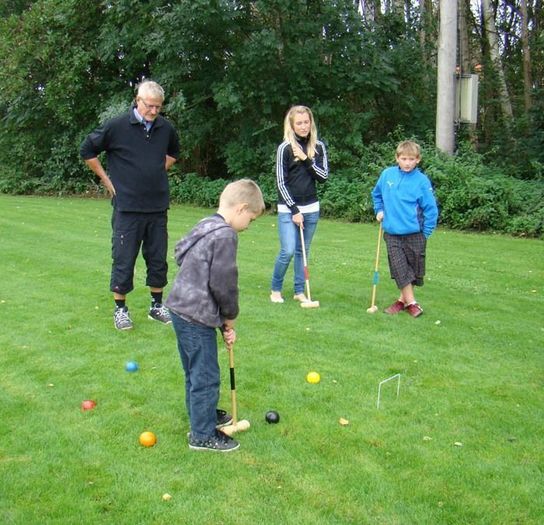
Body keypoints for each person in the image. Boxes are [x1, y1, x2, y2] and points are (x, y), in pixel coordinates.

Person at [165, 179, 265, 452]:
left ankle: (202, 414)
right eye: (251, 219)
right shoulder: (225, 235)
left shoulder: (206, 224)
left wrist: (220, 322)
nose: (248, 225)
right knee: (206, 375)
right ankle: (201, 435)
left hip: (179, 308)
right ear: (242, 208)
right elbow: (223, 283)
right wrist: (229, 317)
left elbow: (180, 252)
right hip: (195, 315)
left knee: (193, 370)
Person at [80, 80, 180, 330]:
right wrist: (106, 180)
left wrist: (156, 171)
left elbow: (173, 153)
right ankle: (120, 309)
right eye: (150, 106)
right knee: (123, 258)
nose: (154, 111)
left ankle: (156, 306)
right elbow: (87, 150)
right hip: (127, 207)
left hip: (157, 206)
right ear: (138, 100)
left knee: (157, 259)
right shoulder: (117, 126)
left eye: (159, 107)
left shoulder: (165, 129)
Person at [371, 140, 438, 317]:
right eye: (403, 158)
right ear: (397, 158)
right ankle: (413, 304)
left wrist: (426, 232)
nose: (407, 162)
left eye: (411, 159)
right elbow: (376, 194)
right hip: (392, 233)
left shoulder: (421, 181)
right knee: (400, 268)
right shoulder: (387, 175)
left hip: (415, 233)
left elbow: (431, 209)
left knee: (413, 270)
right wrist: (379, 210)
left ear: (418, 160)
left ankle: (402, 301)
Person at [270, 105, 329, 304]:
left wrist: (306, 159)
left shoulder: (318, 147)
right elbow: (280, 182)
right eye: (299, 123)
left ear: (311, 122)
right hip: (288, 209)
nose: (303, 126)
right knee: (287, 250)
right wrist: (294, 209)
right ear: (292, 125)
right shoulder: (284, 148)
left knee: (302, 251)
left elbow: (323, 176)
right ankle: (275, 288)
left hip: (311, 208)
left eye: (306, 122)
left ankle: (298, 291)